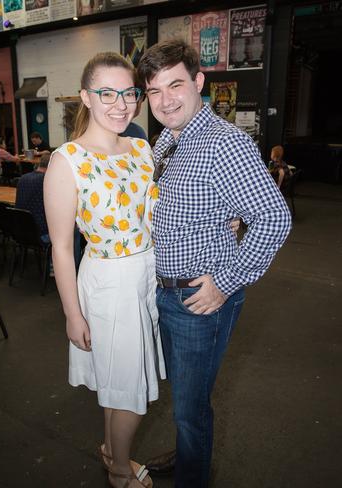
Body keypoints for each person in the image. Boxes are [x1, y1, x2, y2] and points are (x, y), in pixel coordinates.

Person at [137, 39, 292, 488]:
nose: (165, 100)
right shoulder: (167, 138)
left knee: (190, 406)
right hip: (165, 290)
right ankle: (188, 451)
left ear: (198, 82)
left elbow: (274, 218)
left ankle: (192, 474)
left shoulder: (225, 143)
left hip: (199, 300)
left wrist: (225, 283)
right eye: (154, 90)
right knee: (184, 395)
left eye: (175, 85)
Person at [44, 52, 166, 488]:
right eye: (107, 93)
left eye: (129, 93)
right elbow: (61, 247)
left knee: (119, 379)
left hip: (149, 277)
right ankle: (119, 470)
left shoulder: (140, 147)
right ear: (86, 97)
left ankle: (112, 451)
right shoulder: (67, 161)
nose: (122, 104)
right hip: (109, 282)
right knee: (131, 392)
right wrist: (72, 315)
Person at [15, 152, 50, 241]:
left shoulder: (22, 178)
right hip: (42, 233)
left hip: (20, 229)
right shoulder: (47, 181)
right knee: (73, 230)